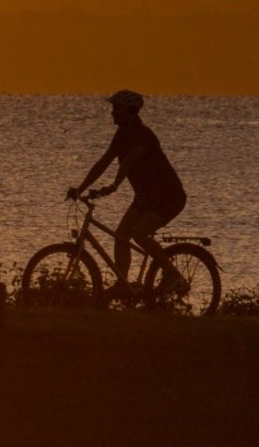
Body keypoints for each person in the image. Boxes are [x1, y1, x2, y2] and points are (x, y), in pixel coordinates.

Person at [69, 89, 188, 300]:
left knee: (139, 234)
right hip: (145, 197)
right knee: (121, 235)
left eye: (116, 109)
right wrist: (80, 188)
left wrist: (114, 186)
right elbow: (104, 162)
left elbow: (129, 161)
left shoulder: (144, 135)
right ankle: (123, 284)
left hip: (168, 196)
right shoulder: (121, 134)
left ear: (128, 112)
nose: (112, 113)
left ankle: (172, 274)